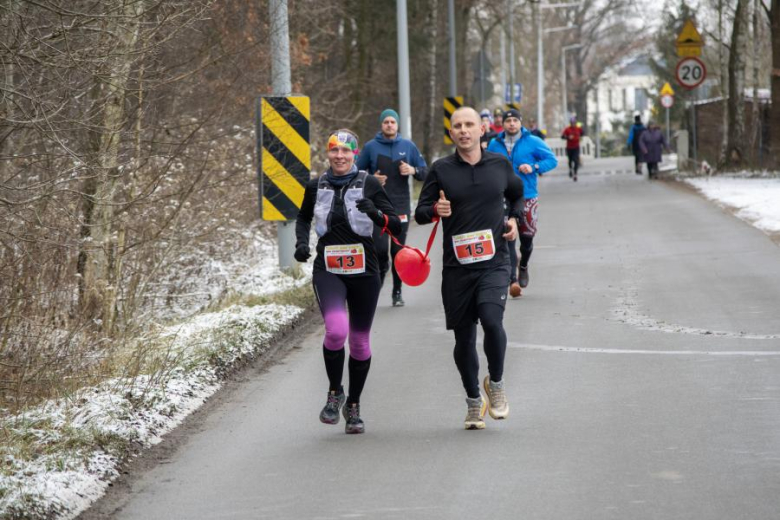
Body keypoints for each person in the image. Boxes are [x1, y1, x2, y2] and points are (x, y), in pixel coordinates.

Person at [415, 107, 524, 430]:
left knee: (492, 321)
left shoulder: (499, 165)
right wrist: (435, 208)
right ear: (452, 133)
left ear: (482, 130)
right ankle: (474, 401)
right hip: (457, 267)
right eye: (457, 126)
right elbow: (420, 212)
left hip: (494, 262)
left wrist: (514, 220)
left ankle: (498, 384)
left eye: (469, 125)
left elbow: (518, 195)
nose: (463, 130)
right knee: (464, 340)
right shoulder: (441, 169)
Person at [295, 129, 402, 434]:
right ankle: (334, 392)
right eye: (334, 150)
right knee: (336, 329)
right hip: (328, 269)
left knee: (358, 341)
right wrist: (302, 243)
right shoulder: (316, 186)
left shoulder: (368, 183)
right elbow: (303, 218)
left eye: (346, 151)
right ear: (327, 154)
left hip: (366, 270)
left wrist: (377, 214)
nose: (339, 156)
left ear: (355, 154)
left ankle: (353, 405)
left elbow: (394, 223)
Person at [356, 108, 427, 307]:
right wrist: (371, 179)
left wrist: (412, 170)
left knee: (398, 251)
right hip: (378, 207)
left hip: (401, 205)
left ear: (397, 125)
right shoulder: (370, 147)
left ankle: (397, 291)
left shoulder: (408, 146)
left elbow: (425, 172)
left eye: (392, 122)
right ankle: (377, 283)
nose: (389, 125)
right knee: (379, 251)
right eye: (386, 122)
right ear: (381, 125)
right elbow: (356, 173)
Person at [487, 109, 557, 297]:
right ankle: (513, 281)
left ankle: (523, 264)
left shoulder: (532, 141)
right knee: (508, 236)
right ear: (503, 123)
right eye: (508, 120)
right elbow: (485, 163)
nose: (511, 124)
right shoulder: (495, 143)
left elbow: (552, 160)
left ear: (520, 123)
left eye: (514, 120)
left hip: (527, 195)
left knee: (526, 238)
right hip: (503, 196)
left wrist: (534, 167)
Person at [561, 116, 583, 181]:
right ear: (570, 123)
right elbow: (562, 137)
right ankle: (570, 169)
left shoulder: (578, 128)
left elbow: (582, 133)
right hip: (569, 147)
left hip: (576, 147)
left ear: (575, 123)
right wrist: (568, 137)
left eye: (574, 122)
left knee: (576, 160)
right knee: (570, 160)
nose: (573, 124)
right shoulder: (567, 129)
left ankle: (575, 173)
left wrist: (579, 137)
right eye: (572, 123)